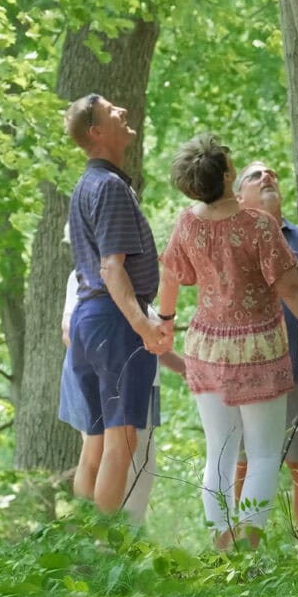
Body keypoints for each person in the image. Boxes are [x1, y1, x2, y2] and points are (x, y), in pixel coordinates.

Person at [156, 133, 298, 549]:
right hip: (258, 349)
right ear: (228, 174)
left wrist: (165, 323)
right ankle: (248, 547)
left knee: (218, 451)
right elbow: (292, 289)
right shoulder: (259, 225)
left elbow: (171, 274)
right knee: (265, 455)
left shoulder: (187, 222)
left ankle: (222, 545)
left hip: (206, 347)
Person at [61, 93, 172, 515]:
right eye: (111, 112)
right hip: (115, 322)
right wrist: (144, 326)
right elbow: (112, 268)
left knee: (100, 441)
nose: (123, 111)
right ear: (96, 132)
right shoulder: (108, 187)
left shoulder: (86, 186)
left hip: (91, 320)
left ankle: (85, 555)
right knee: (121, 441)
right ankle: (106, 555)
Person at [61, 267, 186, 524]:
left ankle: (125, 539)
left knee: (142, 464)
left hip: (141, 383)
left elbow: (148, 343)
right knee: (119, 460)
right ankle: (104, 539)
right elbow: (69, 332)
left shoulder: (133, 278)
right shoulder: (83, 276)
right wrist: (111, 370)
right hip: (108, 387)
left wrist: (187, 369)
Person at [231, 161, 298, 540]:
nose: (268, 178)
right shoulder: (230, 237)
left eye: (272, 175)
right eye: (255, 176)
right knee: (244, 463)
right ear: (236, 195)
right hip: (248, 375)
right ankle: (239, 548)